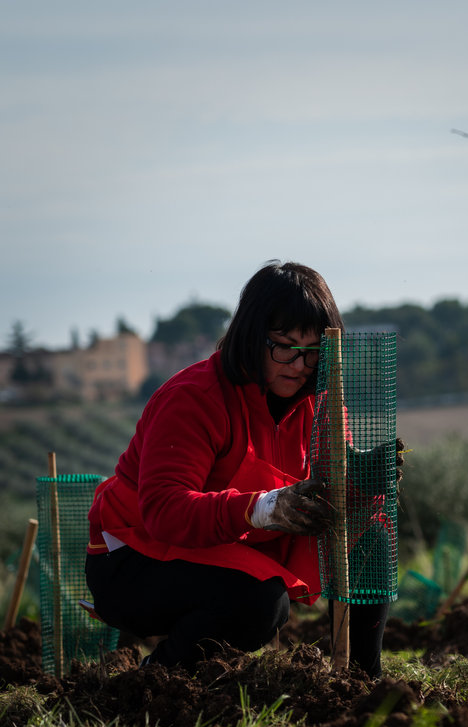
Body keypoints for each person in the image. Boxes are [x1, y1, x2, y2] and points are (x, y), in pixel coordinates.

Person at [85, 260, 392, 677]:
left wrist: (363, 482)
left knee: (371, 536)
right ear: (251, 336)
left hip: (236, 545)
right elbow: (164, 511)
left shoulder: (321, 401)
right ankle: (156, 676)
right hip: (134, 557)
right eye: (284, 346)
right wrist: (262, 507)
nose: (299, 365)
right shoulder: (193, 397)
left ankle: (360, 681)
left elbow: (330, 496)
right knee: (258, 603)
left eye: (313, 351)